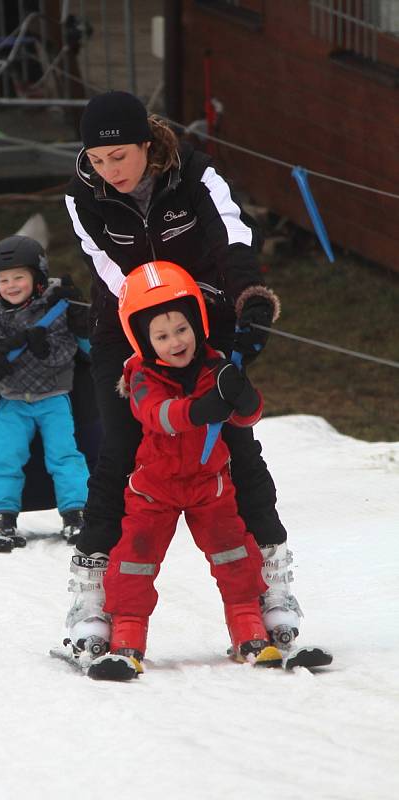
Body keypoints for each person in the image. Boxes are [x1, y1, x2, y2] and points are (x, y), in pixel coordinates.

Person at [62, 90, 302, 659]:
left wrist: (250, 304)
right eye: (98, 160)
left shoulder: (195, 174)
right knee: (118, 447)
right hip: (125, 323)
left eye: (119, 156)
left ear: (146, 144)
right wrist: (151, 333)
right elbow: (108, 265)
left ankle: (272, 586)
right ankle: (91, 594)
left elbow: (233, 235)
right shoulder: (82, 194)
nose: (109, 171)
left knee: (238, 446)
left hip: (200, 321)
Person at [101, 261, 282, 668]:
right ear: (144, 341)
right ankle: (128, 633)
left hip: (210, 487)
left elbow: (244, 418)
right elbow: (157, 415)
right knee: (134, 560)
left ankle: (248, 626)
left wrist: (244, 397)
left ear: (197, 325)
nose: (175, 341)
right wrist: (199, 410)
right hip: (154, 489)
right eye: (162, 336)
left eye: (182, 329)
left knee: (235, 555)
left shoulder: (216, 367)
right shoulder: (142, 376)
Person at [0, 234, 90, 550]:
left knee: (64, 455)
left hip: (53, 398)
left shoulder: (55, 306)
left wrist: (43, 348)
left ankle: (76, 515)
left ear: (36, 278)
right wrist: (3, 349)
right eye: (4, 280)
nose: (11, 285)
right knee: (6, 458)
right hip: (13, 402)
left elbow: (68, 349)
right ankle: (2, 518)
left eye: (19, 277)